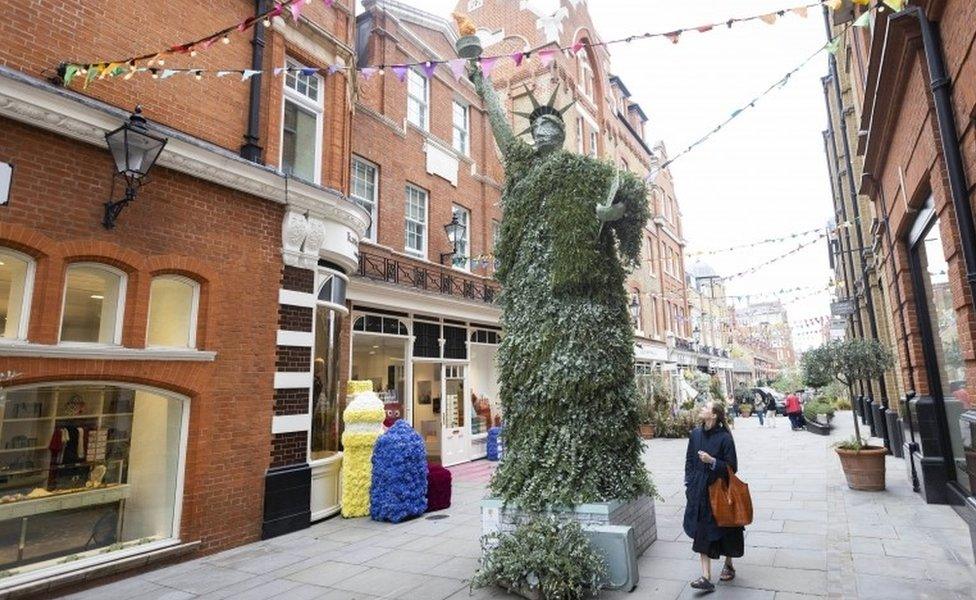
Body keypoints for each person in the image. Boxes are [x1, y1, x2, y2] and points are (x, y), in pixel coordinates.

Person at [684, 400, 744, 593]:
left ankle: (729, 563)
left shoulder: (725, 438)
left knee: (726, 529)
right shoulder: (695, 435)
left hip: (719, 491)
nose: (702, 408)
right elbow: (689, 461)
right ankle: (706, 577)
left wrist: (712, 461)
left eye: (705, 407)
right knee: (702, 530)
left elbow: (732, 466)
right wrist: (689, 484)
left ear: (715, 415)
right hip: (699, 491)